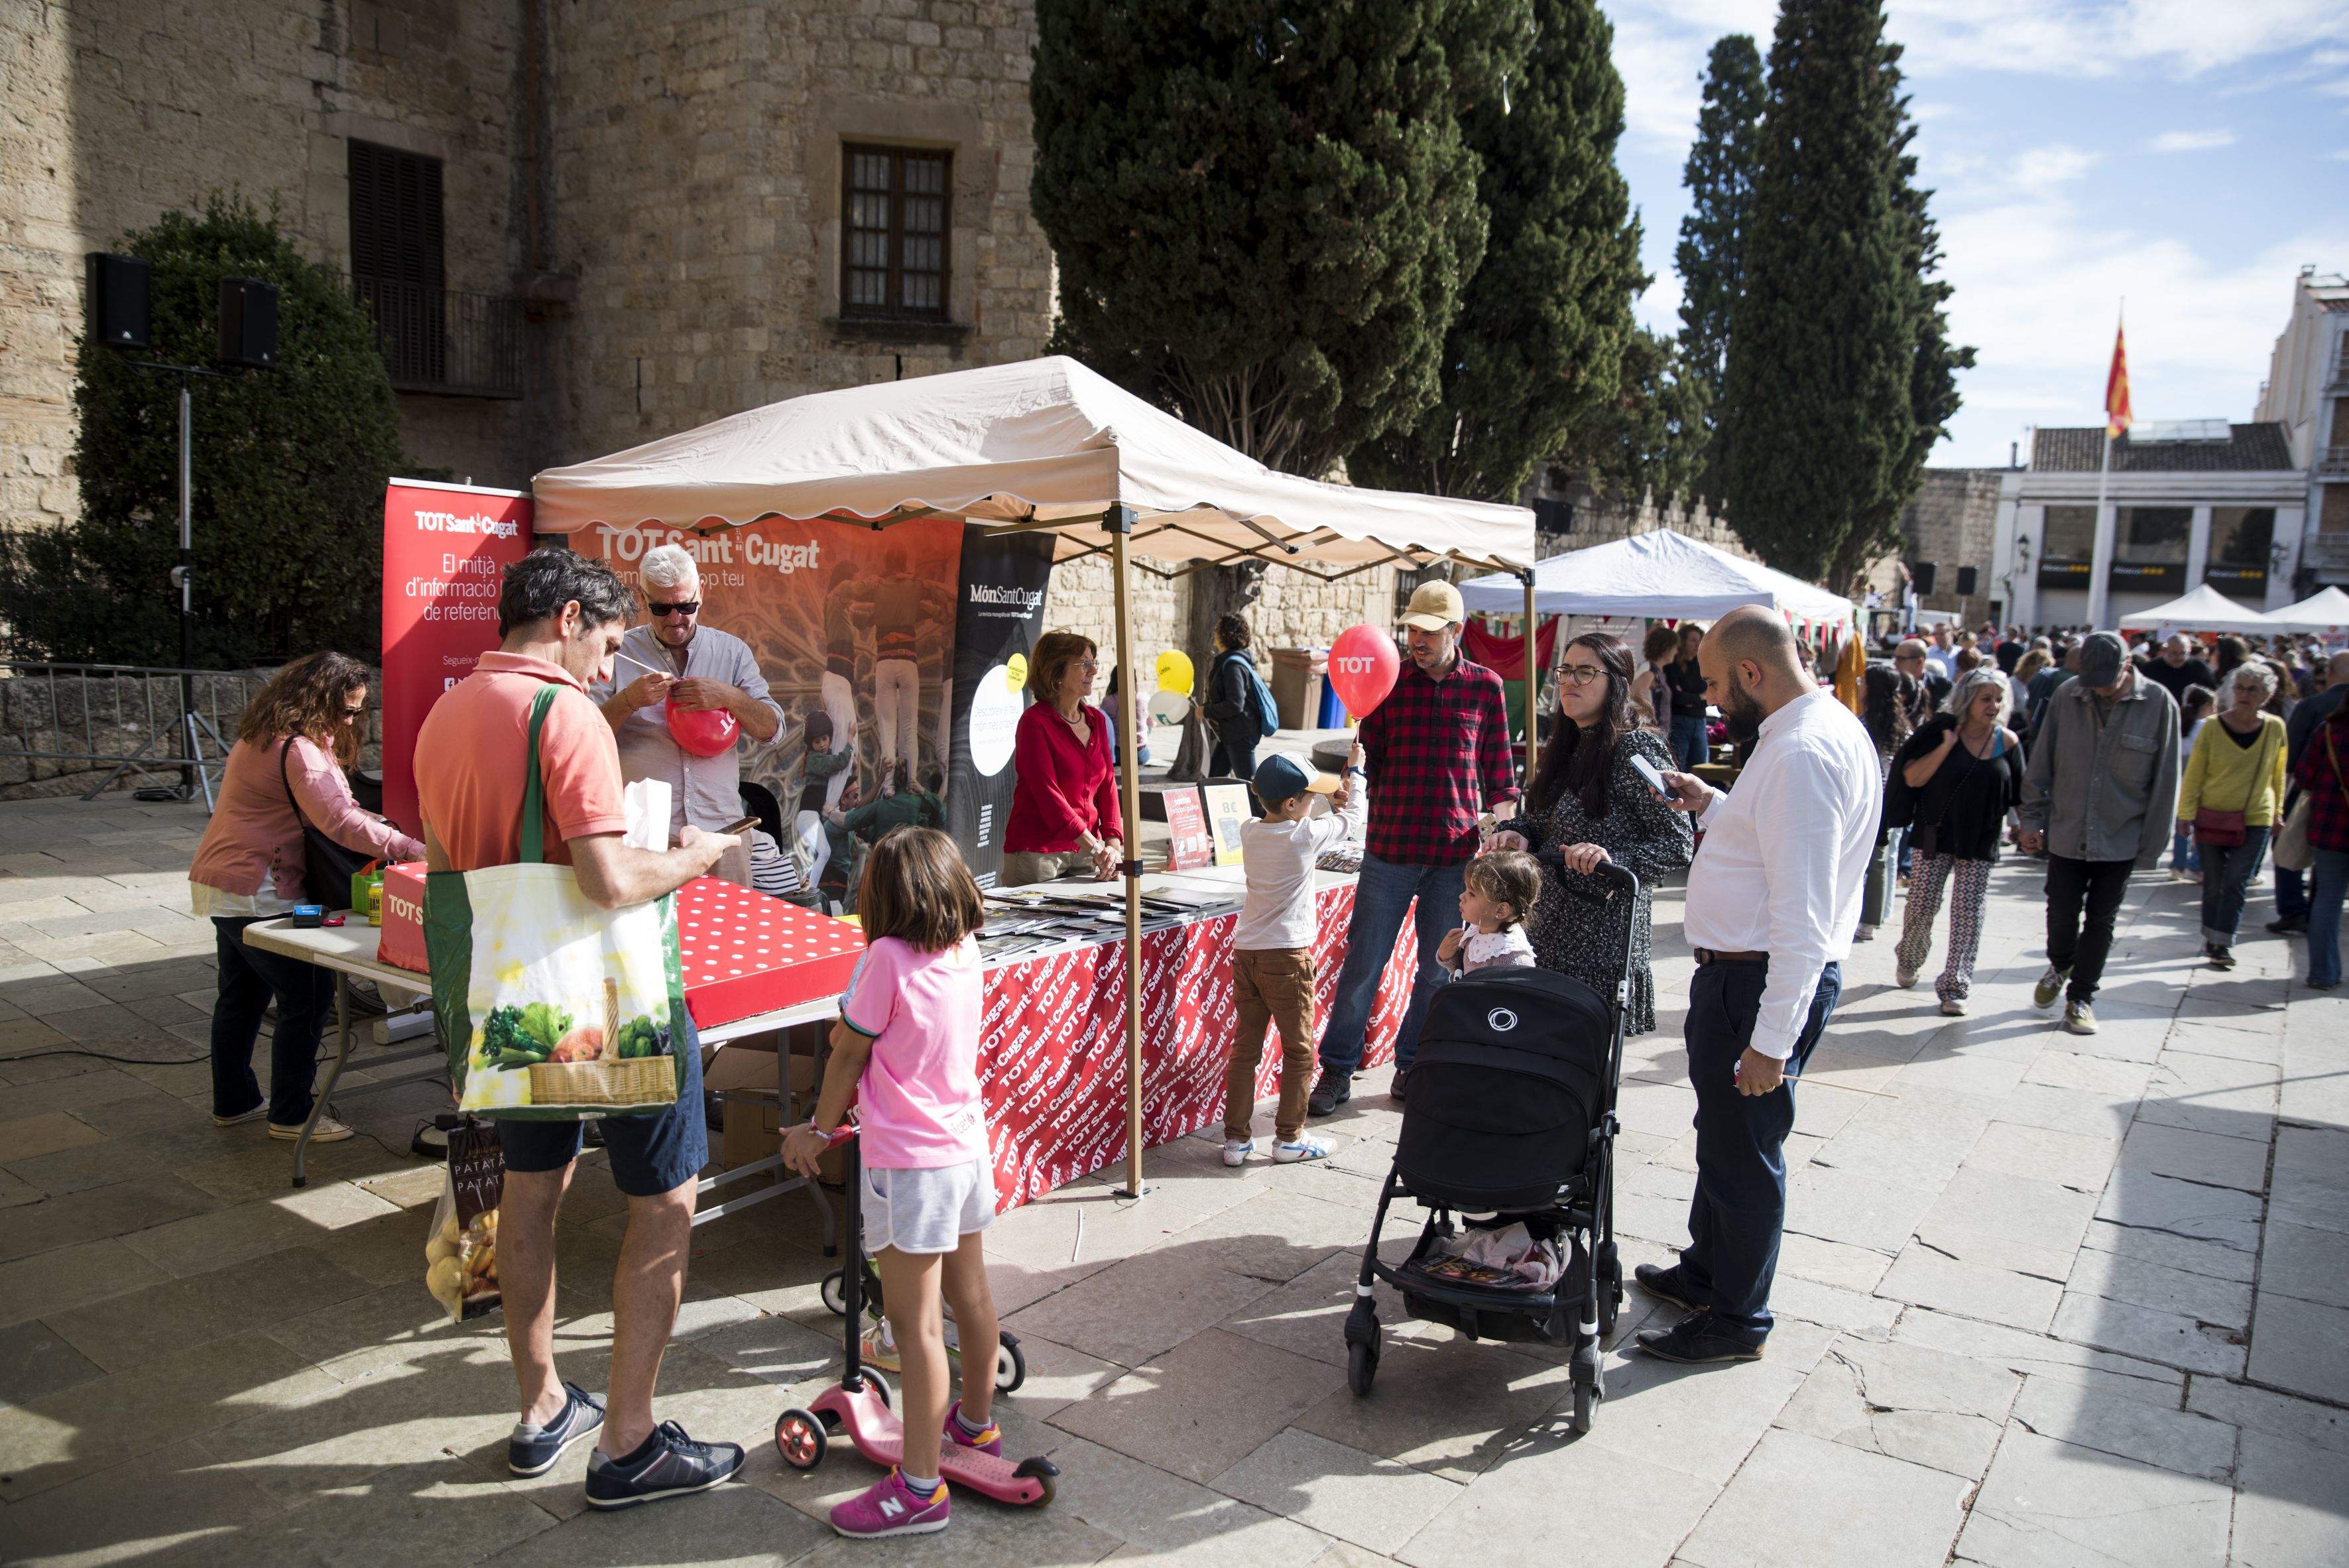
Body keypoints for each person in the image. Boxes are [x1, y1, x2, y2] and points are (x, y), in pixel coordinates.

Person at [415, 547, 742, 1509]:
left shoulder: (444, 712)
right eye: (604, 641)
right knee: (665, 1198)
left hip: (512, 999)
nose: (609, 667)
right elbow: (607, 882)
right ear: (566, 618)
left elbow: (454, 874)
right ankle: (631, 1441)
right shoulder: (562, 715)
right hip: (608, 1000)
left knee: (531, 1188)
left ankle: (539, 1405)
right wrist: (696, 853)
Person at [1632, 607, 1878, 1364]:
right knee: (1724, 1138)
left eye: (1712, 684)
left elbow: (1802, 920)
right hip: (1741, 975)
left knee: (1745, 1153)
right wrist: (1716, 808)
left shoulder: (1803, 751)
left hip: (1758, 981)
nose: (1708, 700)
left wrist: (1770, 1044)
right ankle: (1708, 1273)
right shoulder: (1807, 733)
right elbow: (1780, 839)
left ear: (1751, 672)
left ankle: (1738, 1318)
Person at [781, 827, 1000, 1539]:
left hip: (910, 1165)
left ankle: (919, 1489)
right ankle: (975, 1427)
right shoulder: (966, 949)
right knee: (972, 1298)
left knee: (914, 1328)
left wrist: (812, 1131)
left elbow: (848, 1055)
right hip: (966, 1148)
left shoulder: (883, 958)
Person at [189, 653, 425, 1142]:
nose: (350, 720)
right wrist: (411, 847)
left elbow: (335, 808)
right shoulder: (296, 748)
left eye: (357, 712)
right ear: (315, 699)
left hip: (224, 880)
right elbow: (337, 819)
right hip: (259, 886)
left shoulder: (263, 734)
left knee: (241, 996)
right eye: (344, 709)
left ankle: (234, 1102)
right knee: (309, 993)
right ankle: (293, 1114)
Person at [1309, 580, 1519, 1113]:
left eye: (1427, 631)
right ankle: (1336, 1070)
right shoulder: (1388, 682)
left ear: (1456, 630)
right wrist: (1349, 780)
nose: (1416, 640)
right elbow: (1365, 759)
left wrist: (1507, 829)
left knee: (1436, 969)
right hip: (1388, 850)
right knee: (1364, 965)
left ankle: (1411, 1064)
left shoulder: (1486, 688)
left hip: (1453, 858)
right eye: (1410, 630)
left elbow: (1499, 773)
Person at [1492, 631, 1694, 1032]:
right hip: (1547, 929)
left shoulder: (1637, 749)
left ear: (1616, 683)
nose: (1568, 681)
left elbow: (1678, 843)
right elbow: (1544, 821)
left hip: (1602, 943)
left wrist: (1610, 861)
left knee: (1584, 1069)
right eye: (1565, 670)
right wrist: (1517, 832)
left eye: (1585, 673)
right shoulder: (1568, 745)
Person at [2018, 631, 2180, 1036]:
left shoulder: (2160, 703)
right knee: (2059, 911)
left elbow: (2166, 781)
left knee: (2101, 920)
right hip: (2069, 827)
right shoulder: (2068, 696)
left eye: (2108, 678)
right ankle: (2060, 963)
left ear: (2128, 666)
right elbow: (2041, 761)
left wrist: (2153, 848)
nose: (2100, 688)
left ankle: (2081, 997)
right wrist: (2031, 820)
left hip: (2121, 834)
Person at [592, 543, 782, 888]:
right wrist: (629, 700)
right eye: (662, 609)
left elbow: (772, 729)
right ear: (643, 597)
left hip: (721, 835)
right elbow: (587, 736)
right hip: (647, 839)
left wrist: (727, 695)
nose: (676, 619)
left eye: (686, 606)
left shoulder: (731, 652)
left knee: (728, 938)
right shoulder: (619, 652)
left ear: (701, 592)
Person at [1225, 749, 1364, 1168]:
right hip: (1286, 957)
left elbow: (1299, 813)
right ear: (1291, 804)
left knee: (1245, 1051)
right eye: (1307, 798)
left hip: (1246, 954)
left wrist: (1322, 803)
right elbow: (1355, 819)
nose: (1311, 805)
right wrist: (1356, 776)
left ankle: (1236, 1142)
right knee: (1299, 1052)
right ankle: (1289, 1138)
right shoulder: (1303, 836)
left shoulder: (1251, 829)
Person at [1889, 668, 2023, 1014]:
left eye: (1998, 699)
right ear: (1968, 700)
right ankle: (1911, 957)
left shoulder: (2008, 743)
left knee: (1969, 912)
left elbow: (2019, 794)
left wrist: (2027, 828)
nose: (1993, 705)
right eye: (1986, 698)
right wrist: (1947, 747)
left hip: (1981, 840)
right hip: (1935, 835)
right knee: (1922, 905)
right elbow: (1912, 778)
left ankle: (1955, 986)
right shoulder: (1940, 734)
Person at [2177, 661, 2287, 969]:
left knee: (2237, 880)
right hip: (2213, 813)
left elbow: (2277, 774)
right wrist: (2185, 814)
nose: (2244, 694)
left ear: (2266, 695)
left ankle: (2223, 942)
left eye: (2253, 689)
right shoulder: (2212, 726)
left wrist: (2277, 812)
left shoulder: (2275, 727)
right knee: (2213, 882)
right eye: (2240, 687)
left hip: (2256, 816)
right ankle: (2212, 937)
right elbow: (2195, 774)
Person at [1002, 631, 1122, 886]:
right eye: (1084, 664)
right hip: (1039, 854)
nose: (1094, 672)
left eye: (1094, 663)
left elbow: (1108, 786)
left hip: (1089, 852)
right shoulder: (1034, 723)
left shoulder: (1097, 720)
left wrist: (1113, 845)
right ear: (1056, 674)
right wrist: (1096, 848)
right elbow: (1048, 796)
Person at [2269, 650, 2349, 933]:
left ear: (2330, 674)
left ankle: (2293, 909)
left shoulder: (2313, 706)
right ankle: (2318, 914)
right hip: (2337, 808)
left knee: (2288, 848)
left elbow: (2290, 760)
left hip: (2313, 797)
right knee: (2330, 877)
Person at [2292, 694, 2349, 989]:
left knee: (2327, 899)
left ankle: (2322, 972)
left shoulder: (2329, 731)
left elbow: (2304, 776)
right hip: (2332, 830)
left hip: (2329, 830)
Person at [1437, 850, 1540, 975]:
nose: (1461, 897)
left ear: (1501, 910)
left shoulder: (1512, 958)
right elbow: (1463, 973)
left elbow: (1516, 992)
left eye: (1472, 894)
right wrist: (1447, 955)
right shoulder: (1477, 931)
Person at [1201, 613, 1268, 780]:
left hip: (1240, 734)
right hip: (1231, 733)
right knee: (1215, 779)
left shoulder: (1233, 666)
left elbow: (1235, 704)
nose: (1214, 632)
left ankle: (1261, 807)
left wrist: (1205, 711)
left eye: (1217, 629)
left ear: (1226, 634)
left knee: (1251, 786)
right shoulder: (1228, 661)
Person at [2173, 685, 2216, 881]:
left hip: (2179, 779)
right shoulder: (2206, 726)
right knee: (2201, 824)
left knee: (2181, 823)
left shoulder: (2180, 723)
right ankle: (2195, 864)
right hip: (2198, 781)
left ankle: (2177, 865)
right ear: (2207, 705)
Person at [1666, 621, 1711, 769]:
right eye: (1693, 640)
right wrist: (1699, 697)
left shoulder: (1702, 665)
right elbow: (1677, 697)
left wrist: (1691, 698)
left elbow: (1709, 695)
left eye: (1699, 641)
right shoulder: (1673, 666)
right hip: (1680, 721)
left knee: (1700, 766)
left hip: (1700, 720)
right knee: (1680, 766)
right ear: (1683, 642)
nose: (1697, 644)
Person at [1628, 622, 1677, 737]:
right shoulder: (1649, 669)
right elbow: (1634, 695)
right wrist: (1649, 715)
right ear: (1666, 648)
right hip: (1652, 732)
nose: (1676, 652)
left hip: (1658, 731)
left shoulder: (1657, 670)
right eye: (1675, 648)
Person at [2140, 634, 2214, 705]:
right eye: (2174, 653)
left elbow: (2212, 693)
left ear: (2189, 650)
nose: (2179, 657)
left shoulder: (2200, 668)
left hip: (2189, 715)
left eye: (2183, 653)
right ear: (2167, 650)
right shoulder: (2151, 668)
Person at [1099, 667, 1150, 768]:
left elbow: (1103, 724)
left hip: (1118, 754)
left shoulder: (1108, 701)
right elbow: (1151, 723)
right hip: (1141, 754)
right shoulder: (1143, 698)